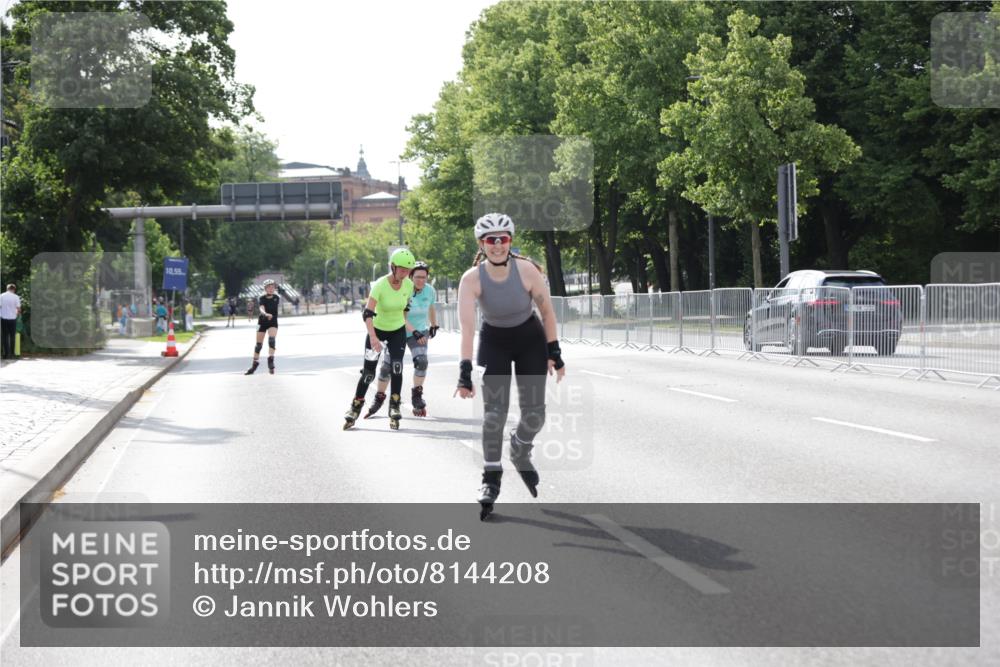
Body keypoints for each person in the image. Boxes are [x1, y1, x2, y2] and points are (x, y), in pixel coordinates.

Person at [455, 213, 566, 520]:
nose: (497, 245)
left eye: (503, 239)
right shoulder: (472, 279)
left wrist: (553, 351)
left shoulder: (527, 270)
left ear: (510, 241)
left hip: (529, 338)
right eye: (491, 240)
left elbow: (548, 313)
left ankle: (520, 447)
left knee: (535, 413)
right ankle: (490, 479)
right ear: (481, 244)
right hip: (494, 341)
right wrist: (465, 371)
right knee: (493, 415)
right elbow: (467, 329)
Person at [344, 248, 422, 431]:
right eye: (401, 269)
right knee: (369, 373)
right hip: (377, 330)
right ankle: (355, 407)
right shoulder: (380, 285)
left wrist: (408, 325)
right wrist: (373, 337)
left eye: (408, 270)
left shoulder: (408, 285)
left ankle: (394, 405)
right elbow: (368, 313)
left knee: (397, 367)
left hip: (397, 331)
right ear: (393, 267)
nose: (404, 274)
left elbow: (405, 308)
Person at [365, 261, 438, 419]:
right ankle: (379, 397)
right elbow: (401, 316)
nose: (421, 281)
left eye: (424, 278)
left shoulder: (430, 290)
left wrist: (434, 325)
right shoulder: (405, 289)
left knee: (422, 361)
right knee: (388, 367)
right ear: (410, 277)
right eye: (417, 277)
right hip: (397, 330)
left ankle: (417, 395)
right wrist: (415, 331)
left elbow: (431, 307)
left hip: (418, 332)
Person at [244, 280, 280, 375]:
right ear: (265, 288)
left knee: (272, 340)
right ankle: (254, 364)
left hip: (272, 321)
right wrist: (265, 314)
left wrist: (269, 315)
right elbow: (261, 308)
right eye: (268, 287)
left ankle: (270, 359)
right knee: (258, 345)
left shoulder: (276, 297)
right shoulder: (261, 297)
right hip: (262, 322)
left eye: (272, 287)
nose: (271, 289)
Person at [1, 283, 22, 360]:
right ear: (14, 289)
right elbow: (18, 308)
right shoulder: (16, 297)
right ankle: (12, 354)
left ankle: (6, 354)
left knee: (5, 336)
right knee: (12, 336)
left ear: (7, 288)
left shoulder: (2, 296)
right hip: (13, 319)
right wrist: (19, 316)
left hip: (3, 318)